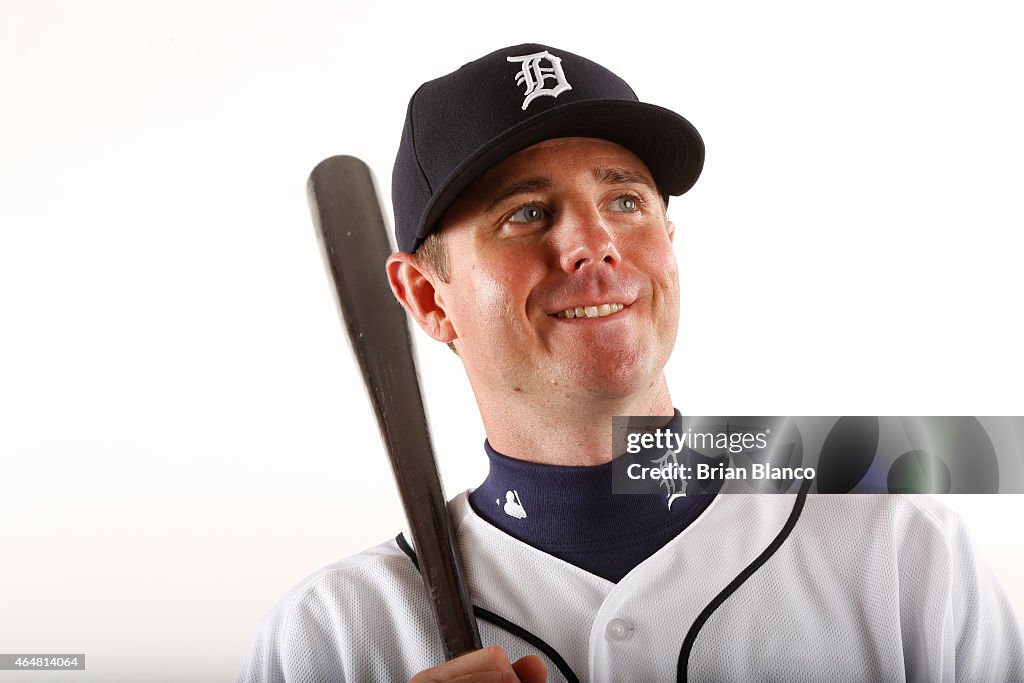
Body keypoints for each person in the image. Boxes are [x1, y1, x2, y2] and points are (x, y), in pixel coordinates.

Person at [236, 43, 1023, 682]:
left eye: (625, 200)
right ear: (427, 298)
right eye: (528, 213)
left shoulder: (898, 554)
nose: (593, 243)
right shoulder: (331, 636)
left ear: (668, 245)